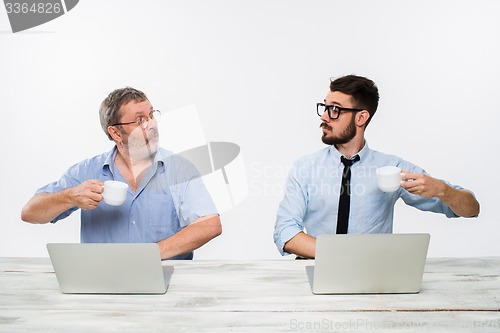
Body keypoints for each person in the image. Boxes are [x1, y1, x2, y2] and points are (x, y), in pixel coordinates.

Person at [273, 75, 479, 259]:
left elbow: (471, 209)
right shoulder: (305, 168)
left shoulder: (392, 168)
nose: (324, 117)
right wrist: (340, 257)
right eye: (325, 107)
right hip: (317, 268)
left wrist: (442, 190)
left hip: (372, 279)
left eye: (335, 109)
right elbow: (285, 232)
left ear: (361, 117)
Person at [21, 87, 222, 260]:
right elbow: (30, 212)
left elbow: (209, 225)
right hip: (102, 285)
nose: (151, 124)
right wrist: (71, 196)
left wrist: (147, 256)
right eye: (140, 120)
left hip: (164, 285)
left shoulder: (179, 169)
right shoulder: (87, 171)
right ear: (116, 133)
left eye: (152, 115)